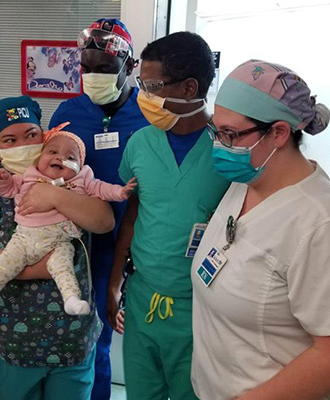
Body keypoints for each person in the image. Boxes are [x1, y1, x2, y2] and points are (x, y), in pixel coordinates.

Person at [191, 59, 330, 400]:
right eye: (216, 131)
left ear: (278, 132)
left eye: (230, 134)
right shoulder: (246, 183)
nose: (219, 145)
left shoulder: (326, 224)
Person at [0, 95, 115, 400]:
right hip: (11, 340)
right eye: (10, 139)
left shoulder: (72, 175)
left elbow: (104, 221)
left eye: (31, 135)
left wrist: (55, 196)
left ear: (45, 137)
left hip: (71, 336)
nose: (23, 144)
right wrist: (38, 269)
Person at [108, 32, 230, 400]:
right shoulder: (141, 143)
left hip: (202, 307)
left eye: (153, 86)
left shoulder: (228, 153)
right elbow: (132, 215)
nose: (143, 95)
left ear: (190, 87)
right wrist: (115, 284)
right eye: (141, 84)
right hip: (143, 300)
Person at [49, 18, 149, 399]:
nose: (92, 77)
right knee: (78, 339)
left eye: (104, 69)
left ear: (130, 67)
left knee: (106, 339)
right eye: (86, 68)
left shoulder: (148, 116)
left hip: (132, 243)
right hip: (75, 243)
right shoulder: (67, 114)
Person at [0, 123, 136, 319]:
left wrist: (120, 192)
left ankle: (72, 300)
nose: (60, 158)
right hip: (23, 240)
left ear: (80, 167)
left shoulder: (82, 180)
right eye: (52, 151)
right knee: (2, 268)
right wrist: (2, 179)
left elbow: (103, 192)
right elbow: (8, 189)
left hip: (59, 242)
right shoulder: (29, 175)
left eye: (70, 158)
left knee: (63, 267)